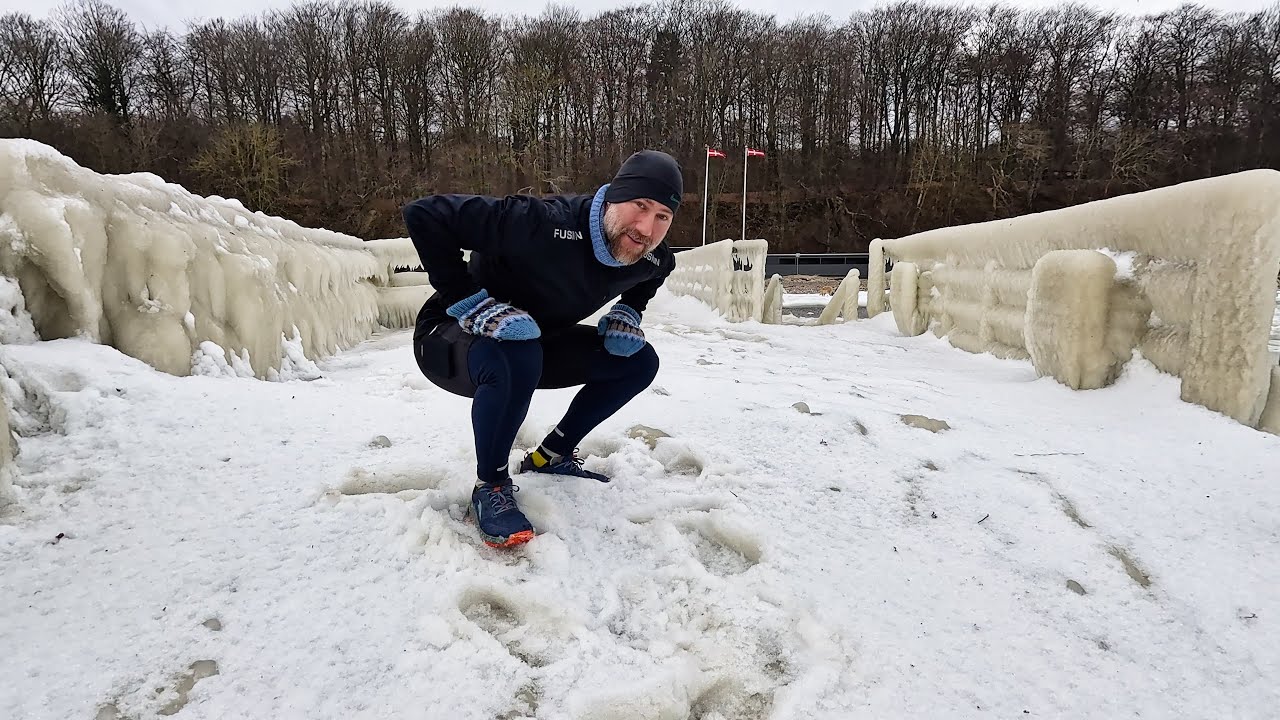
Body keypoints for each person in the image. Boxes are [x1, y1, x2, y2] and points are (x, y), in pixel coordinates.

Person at [402, 150, 683, 549]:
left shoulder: (652, 254)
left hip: (533, 342)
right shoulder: (539, 221)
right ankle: (492, 485)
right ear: (615, 195)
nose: (646, 227)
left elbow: (653, 273)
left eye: (662, 217)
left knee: (638, 361)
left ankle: (551, 455)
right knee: (518, 352)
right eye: (640, 205)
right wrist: (467, 300)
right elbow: (426, 214)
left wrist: (628, 311)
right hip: (450, 338)